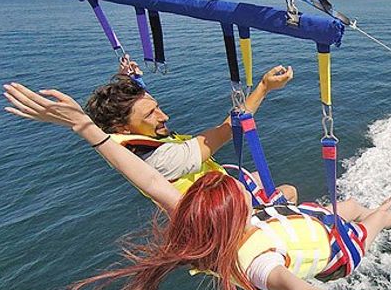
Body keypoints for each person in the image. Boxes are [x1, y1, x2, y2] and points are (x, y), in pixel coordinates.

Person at [2, 82, 391, 290]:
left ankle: (362, 212)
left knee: (339, 207)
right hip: (337, 255)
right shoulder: (255, 263)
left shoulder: (198, 215)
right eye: (242, 196)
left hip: (284, 226)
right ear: (239, 211)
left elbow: (148, 181)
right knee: (369, 218)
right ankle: (387, 217)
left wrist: (86, 128)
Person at [87, 56, 297, 203]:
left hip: (209, 196)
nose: (164, 116)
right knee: (289, 192)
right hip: (225, 218)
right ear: (122, 128)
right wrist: (264, 87)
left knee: (256, 177)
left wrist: (127, 79)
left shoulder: (121, 145)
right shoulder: (165, 160)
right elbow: (228, 129)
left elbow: (134, 109)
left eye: (157, 107)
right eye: (151, 114)